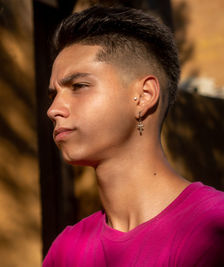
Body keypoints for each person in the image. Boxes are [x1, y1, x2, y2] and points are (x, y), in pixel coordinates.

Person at [43, 5, 224, 267]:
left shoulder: (212, 227)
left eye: (79, 86)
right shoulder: (66, 250)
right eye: (53, 95)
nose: (53, 110)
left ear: (144, 96)